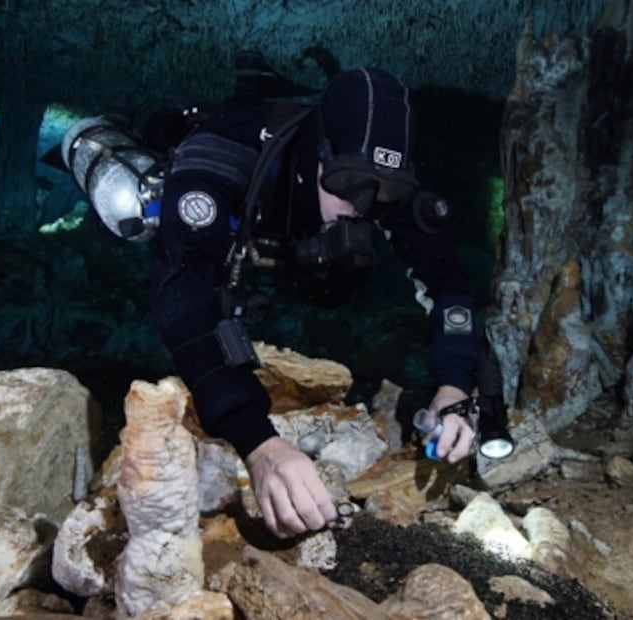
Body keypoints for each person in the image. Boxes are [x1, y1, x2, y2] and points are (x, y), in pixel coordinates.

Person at [66, 63, 481, 538]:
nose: (364, 206)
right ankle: (117, 128)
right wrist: (259, 444)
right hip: (217, 199)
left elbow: (448, 282)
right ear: (318, 156)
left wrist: (455, 384)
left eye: (383, 189)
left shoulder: (378, 177)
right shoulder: (223, 157)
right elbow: (181, 301)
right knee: (136, 216)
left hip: (295, 226)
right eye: (349, 185)